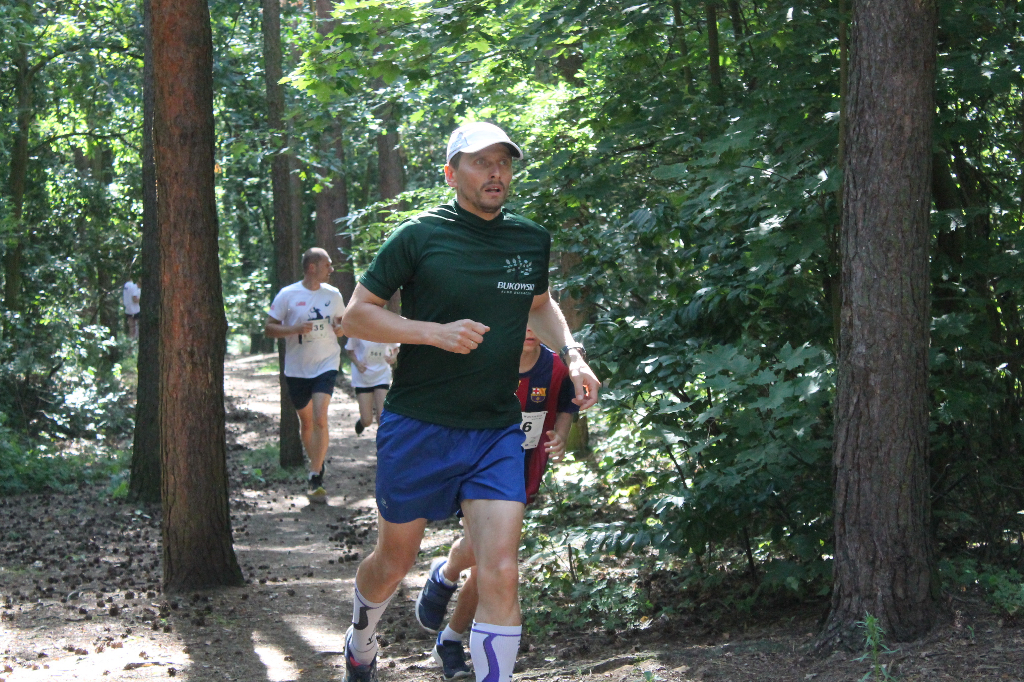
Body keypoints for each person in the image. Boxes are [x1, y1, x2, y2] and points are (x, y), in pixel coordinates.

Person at [340, 121, 601, 682]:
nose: (496, 173)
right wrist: (429, 332)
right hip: (420, 423)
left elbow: (539, 305)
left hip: (495, 428)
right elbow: (355, 314)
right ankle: (362, 636)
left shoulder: (529, 239)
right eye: (481, 163)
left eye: (503, 163)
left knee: (501, 569)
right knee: (394, 563)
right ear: (451, 172)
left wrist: (573, 354)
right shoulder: (419, 236)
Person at [415, 326, 580, 679]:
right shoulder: (487, 364)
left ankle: (449, 639)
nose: (530, 331)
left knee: (490, 563)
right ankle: (445, 575)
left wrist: (561, 434)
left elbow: (568, 402)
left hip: (520, 472)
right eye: (522, 322)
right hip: (477, 468)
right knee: (482, 551)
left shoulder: (555, 368)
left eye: (538, 322)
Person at [264, 247, 346, 503]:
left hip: (326, 363)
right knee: (307, 422)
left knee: (320, 416)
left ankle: (315, 475)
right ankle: (317, 464)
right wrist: (295, 328)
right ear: (312, 267)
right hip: (297, 368)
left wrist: (340, 328)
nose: (331, 269)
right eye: (327, 265)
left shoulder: (333, 295)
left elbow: (343, 326)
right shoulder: (288, 294)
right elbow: (269, 328)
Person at [345, 337, 399, 435]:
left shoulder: (385, 329)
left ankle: (381, 446)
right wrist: (357, 364)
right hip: (362, 376)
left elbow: (396, 348)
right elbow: (349, 351)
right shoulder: (358, 329)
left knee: (381, 416)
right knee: (367, 420)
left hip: (382, 375)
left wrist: (393, 357)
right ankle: (362, 422)